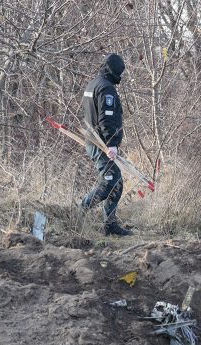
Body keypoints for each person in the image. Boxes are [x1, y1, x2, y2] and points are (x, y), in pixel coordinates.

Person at [81, 53, 131, 236]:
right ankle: (81, 211)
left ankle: (109, 224)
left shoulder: (93, 84)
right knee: (111, 182)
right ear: (114, 71)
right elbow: (106, 118)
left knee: (115, 181)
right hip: (101, 144)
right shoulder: (106, 89)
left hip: (93, 140)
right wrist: (111, 144)